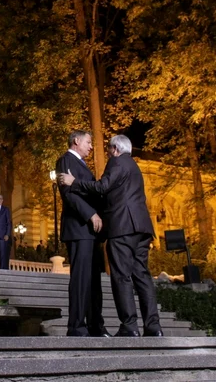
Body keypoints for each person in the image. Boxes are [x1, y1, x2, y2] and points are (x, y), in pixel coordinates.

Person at [59, 134, 163, 337]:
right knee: (142, 276)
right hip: (142, 228)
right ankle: (153, 326)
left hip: (123, 227)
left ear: (115, 149)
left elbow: (102, 187)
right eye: (89, 142)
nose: (102, 151)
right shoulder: (134, 166)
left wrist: (74, 182)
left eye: (107, 149)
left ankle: (129, 326)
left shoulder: (117, 162)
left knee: (121, 277)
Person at [55, 130, 110, 338]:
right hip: (78, 228)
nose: (91, 146)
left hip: (90, 231)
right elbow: (69, 195)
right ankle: (77, 327)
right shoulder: (65, 161)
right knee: (80, 279)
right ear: (76, 141)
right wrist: (91, 215)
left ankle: (96, 325)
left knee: (94, 280)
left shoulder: (82, 165)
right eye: (88, 142)